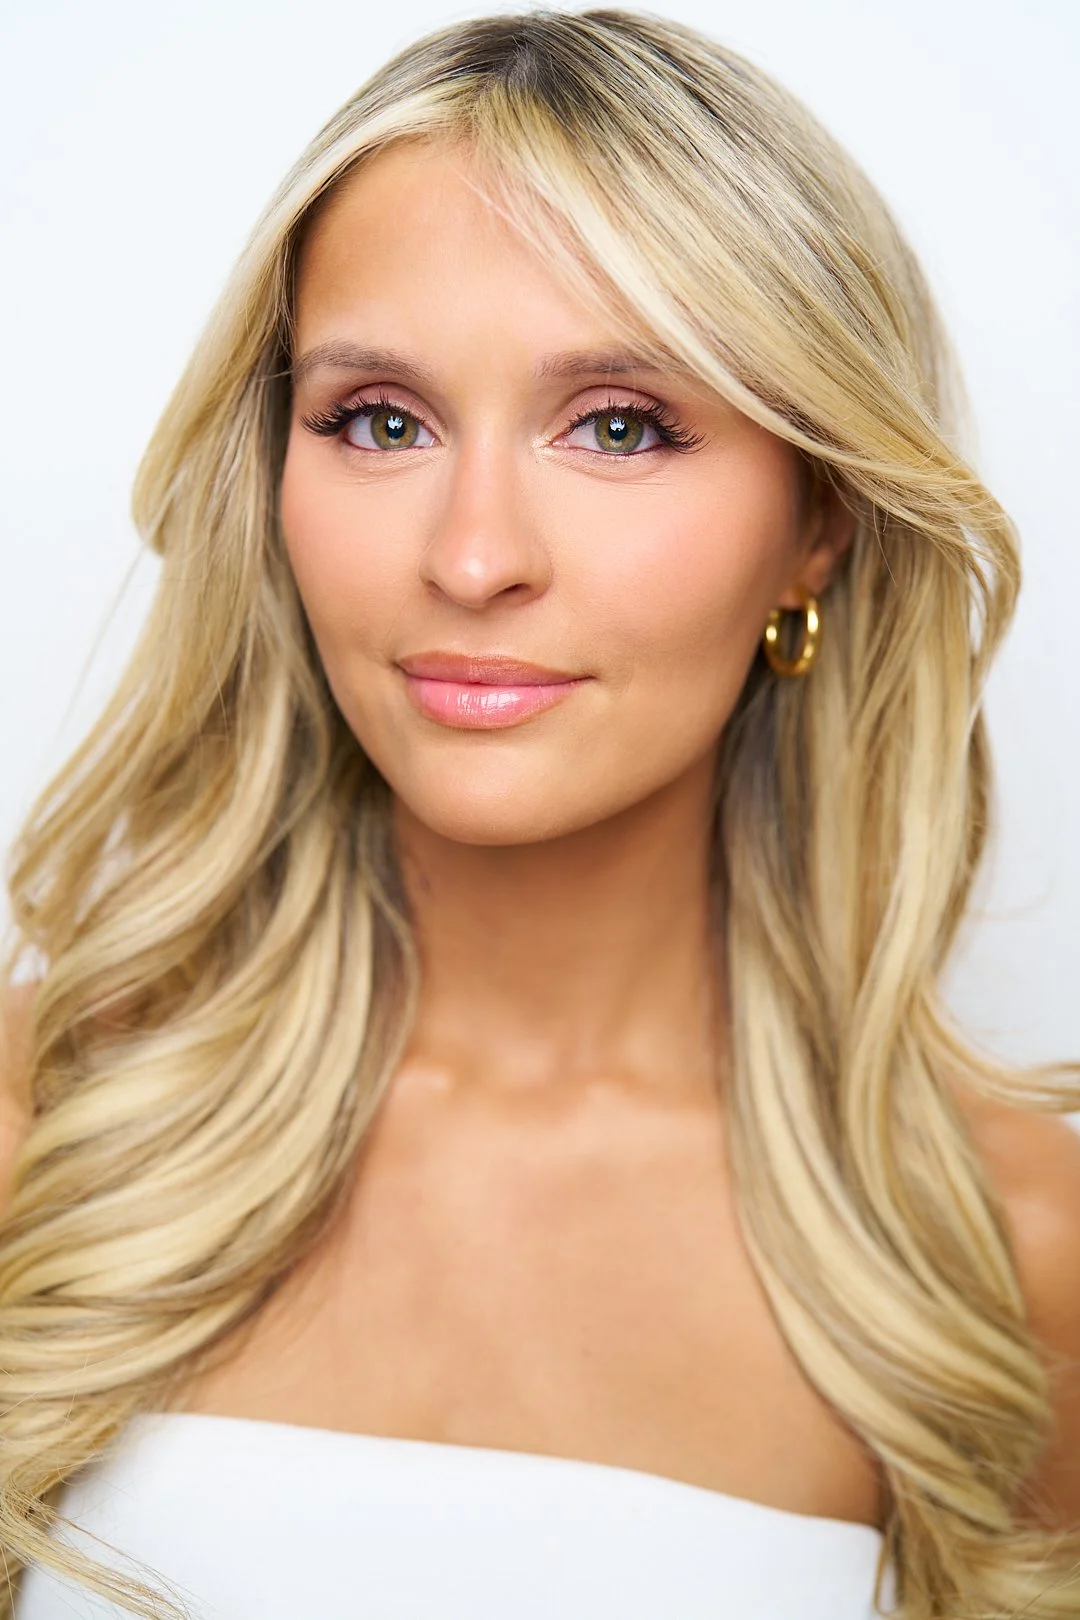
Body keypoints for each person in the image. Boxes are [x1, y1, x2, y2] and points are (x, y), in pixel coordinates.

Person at [2, 8, 1078, 1618]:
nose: (474, 553)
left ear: (820, 528)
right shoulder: (42, 1132)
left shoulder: (1013, 1250)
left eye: (621, 427)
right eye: (381, 421)